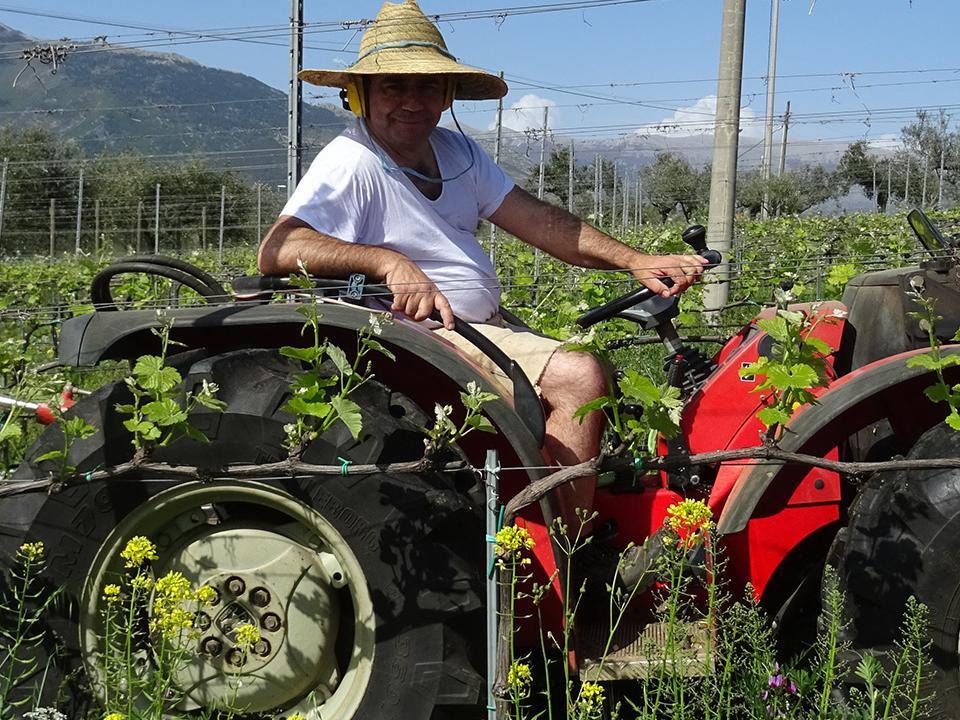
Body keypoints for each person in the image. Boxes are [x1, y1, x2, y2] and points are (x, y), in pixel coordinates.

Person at [258, 0, 707, 522]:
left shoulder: (456, 152)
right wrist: (386, 261)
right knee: (577, 378)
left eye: (427, 86)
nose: (412, 101)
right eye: (393, 86)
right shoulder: (352, 160)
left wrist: (634, 260)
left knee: (594, 374)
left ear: (447, 94)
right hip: (410, 333)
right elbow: (279, 249)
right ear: (359, 95)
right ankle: (561, 549)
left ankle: (557, 519)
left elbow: (539, 221)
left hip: (474, 324)